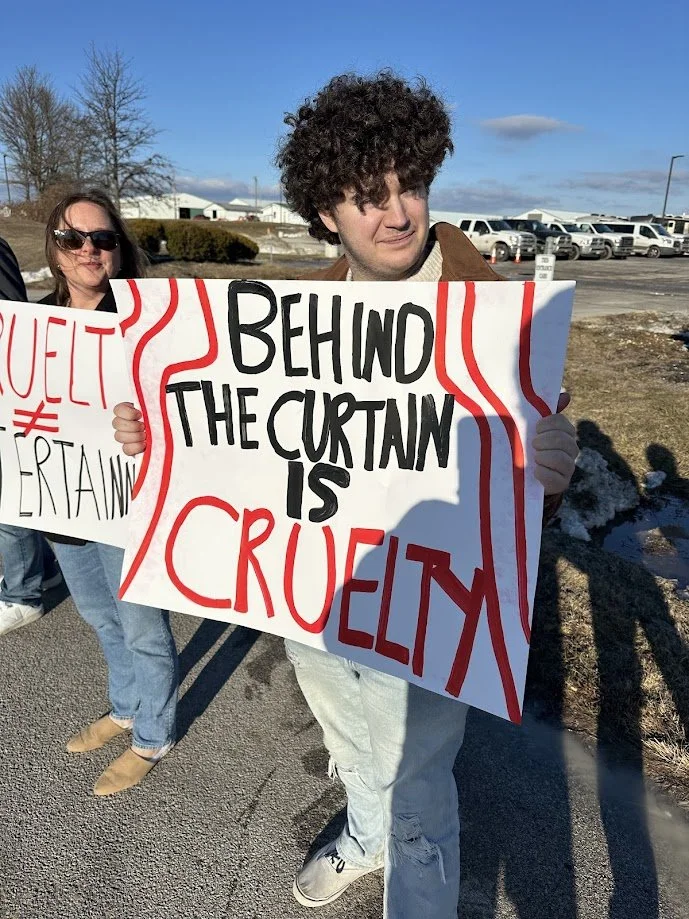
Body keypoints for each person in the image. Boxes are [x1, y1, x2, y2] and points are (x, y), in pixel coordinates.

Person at [113, 73, 578, 916]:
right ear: (326, 212)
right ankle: (364, 833)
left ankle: (419, 895)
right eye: (368, 196)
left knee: (418, 774)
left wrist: (546, 476)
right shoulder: (294, 317)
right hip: (315, 596)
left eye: (410, 187)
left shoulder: (498, 317)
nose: (397, 213)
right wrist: (160, 441)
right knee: (348, 742)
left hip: (432, 601)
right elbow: (230, 436)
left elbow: (509, 499)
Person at [40, 190, 179, 796]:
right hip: (59, 497)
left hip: (129, 500)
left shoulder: (150, 322)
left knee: (143, 626)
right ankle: (124, 706)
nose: (89, 250)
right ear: (55, 250)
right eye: (75, 239)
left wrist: (149, 426)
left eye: (103, 238)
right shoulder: (30, 324)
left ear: (119, 248)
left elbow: (185, 407)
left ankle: (152, 734)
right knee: (100, 617)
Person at [0, 236, 62, 636]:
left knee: (9, 492)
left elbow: (13, 318)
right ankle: (45, 568)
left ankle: (23, 596)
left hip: (7, 388)